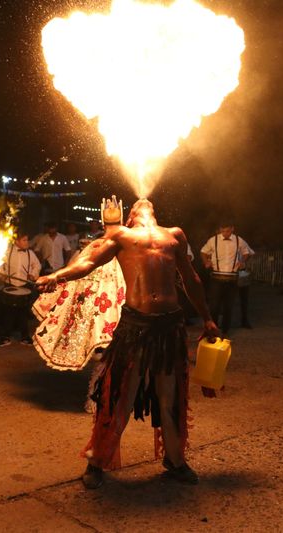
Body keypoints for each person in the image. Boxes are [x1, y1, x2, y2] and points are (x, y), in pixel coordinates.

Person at [36, 198, 219, 489]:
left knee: (170, 397)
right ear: (130, 217)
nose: (142, 202)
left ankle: (175, 460)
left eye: (146, 203)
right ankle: (97, 462)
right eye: (135, 207)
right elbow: (88, 262)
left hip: (171, 326)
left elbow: (191, 278)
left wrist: (208, 318)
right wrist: (56, 276)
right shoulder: (121, 235)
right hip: (135, 326)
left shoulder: (175, 234)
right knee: (119, 395)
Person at [32, 201, 126, 412]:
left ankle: (109, 398)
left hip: (116, 308)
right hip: (101, 310)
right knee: (108, 355)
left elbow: (74, 269)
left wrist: (54, 278)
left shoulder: (121, 247)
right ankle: (99, 399)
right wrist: (54, 279)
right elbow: (75, 270)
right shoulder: (99, 247)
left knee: (114, 355)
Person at [200, 222, 252, 335]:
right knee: (214, 306)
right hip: (216, 277)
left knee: (228, 306)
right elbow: (203, 251)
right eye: (222, 231)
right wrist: (206, 262)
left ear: (232, 229)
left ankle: (225, 331)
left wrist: (243, 261)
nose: (225, 234)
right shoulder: (213, 240)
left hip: (232, 278)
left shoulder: (239, 240)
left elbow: (246, 252)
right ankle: (213, 330)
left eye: (227, 231)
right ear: (220, 230)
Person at [0, 234, 41, 347]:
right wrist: (2, 274)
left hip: (25, 285)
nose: (27, 242)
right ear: (17, 241)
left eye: (27, 240)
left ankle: (25, 337)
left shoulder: (30, 253)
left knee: (23, 312)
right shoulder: (7, 252)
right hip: (10, 285)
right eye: (24, 240)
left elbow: (37, 265)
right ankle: (5, 337)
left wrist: (33, 274)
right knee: (8, 312)